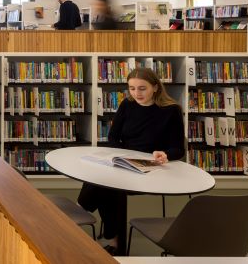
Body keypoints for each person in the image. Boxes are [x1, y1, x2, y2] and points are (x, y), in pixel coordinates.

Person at [78, 68, 184, 255]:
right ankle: (114, 240)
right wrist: (120, 155)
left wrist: (165, 154)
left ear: (155, 87)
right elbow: (113, 138)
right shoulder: (127, 105)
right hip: (125, 161)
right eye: (132, 88)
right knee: (106, 182)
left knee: (107, 185)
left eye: (142, 88)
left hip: (151, 167)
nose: (137, 94)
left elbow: (178, 149)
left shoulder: (171, 111)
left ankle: (83, 214)